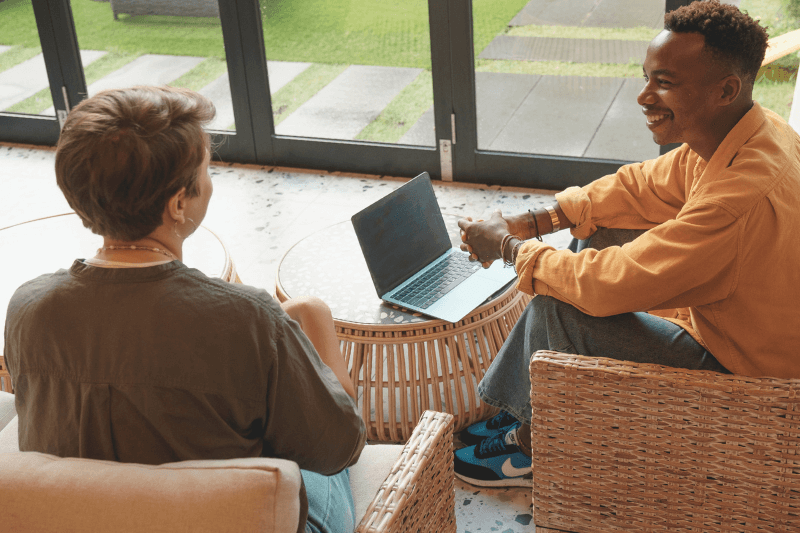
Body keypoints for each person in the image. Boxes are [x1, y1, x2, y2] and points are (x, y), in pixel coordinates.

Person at [453, 0, 800, 487]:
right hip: (732, 317)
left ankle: (538, 445)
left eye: (665, 82)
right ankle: (530, 406)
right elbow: (640, 187)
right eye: (647, 77)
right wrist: (533, 221)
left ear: (726, 89)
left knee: (562, 307)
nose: (643, 96)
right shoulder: (750, 132)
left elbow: (601, 286)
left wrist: (509, 247)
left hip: (746, 373)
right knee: (598, 227)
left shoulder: (736, 200)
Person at [3, 86, 365, 533]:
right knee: (313, 339)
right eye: (207, 169)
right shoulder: (249, 319)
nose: (211, 180)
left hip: (86, 519)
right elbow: (339, 448)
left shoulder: (28, 308)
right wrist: (317, 320)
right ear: (178, 203)